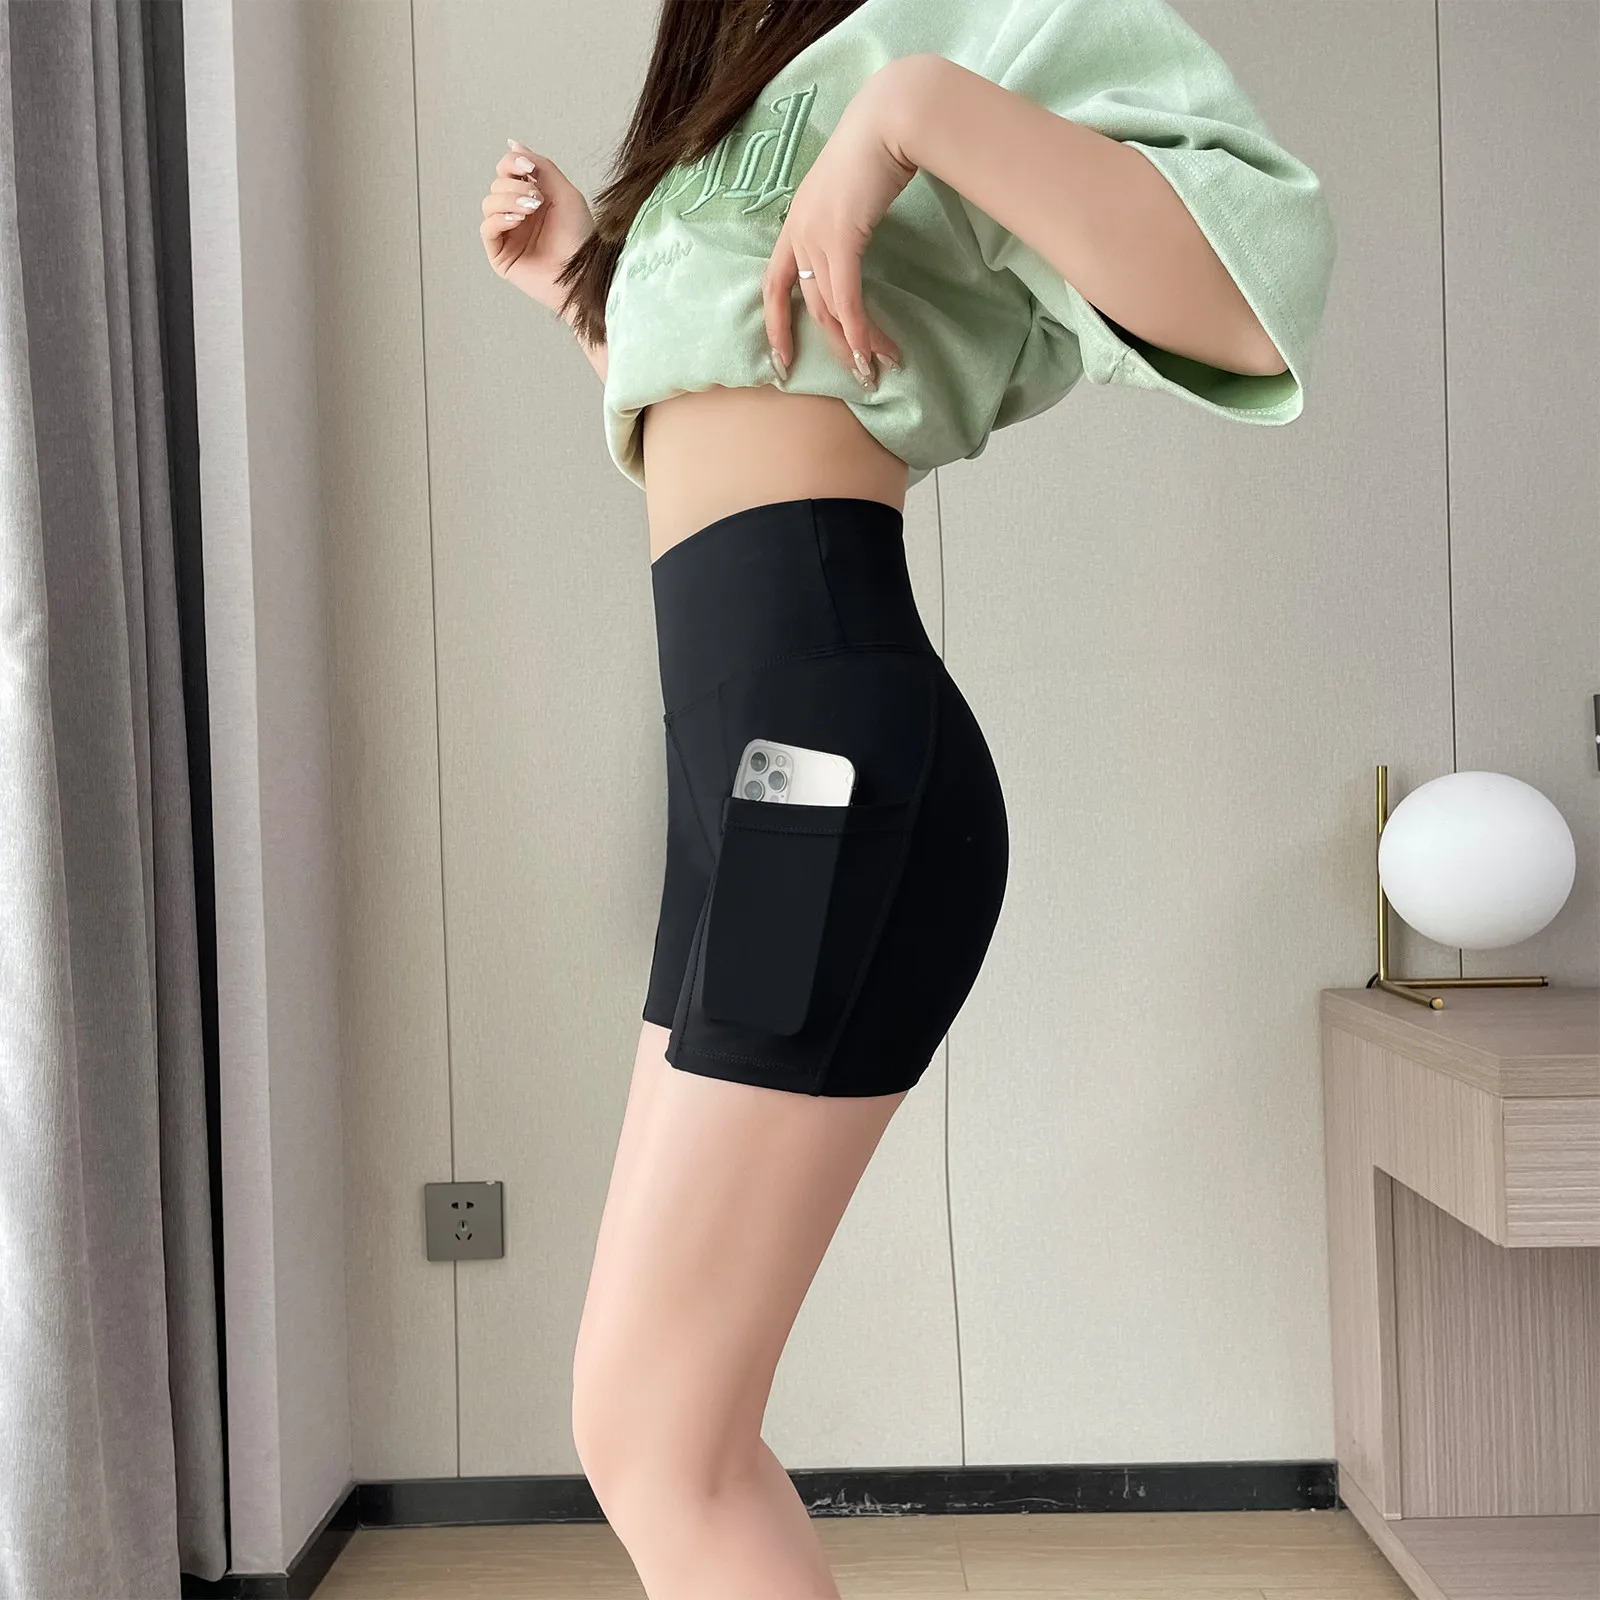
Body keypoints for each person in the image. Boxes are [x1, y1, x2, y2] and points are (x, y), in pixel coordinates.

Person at [477, 2, 1336, 1595]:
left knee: (659, 1433)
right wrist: (588, 283)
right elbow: (754, 378)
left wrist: (918, 110)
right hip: (751, 784)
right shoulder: (748, 77)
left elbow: (1252, 295)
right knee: (652, 1423)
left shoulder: (980, 22)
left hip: (816, 766)